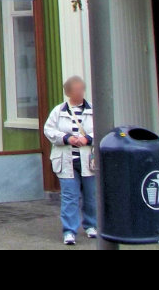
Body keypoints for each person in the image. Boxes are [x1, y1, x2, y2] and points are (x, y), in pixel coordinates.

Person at [43, 76, 98, 245]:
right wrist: (67, 138)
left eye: (81, 89)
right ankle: (69, 231)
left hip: (88, 161)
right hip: (66, 160)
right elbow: (48, 130)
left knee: (91, 196)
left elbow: (102, 129)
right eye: (75, 90)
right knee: (69, 196)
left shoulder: (93, 110)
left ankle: (91, 225)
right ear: (68, 92)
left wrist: (88, 139)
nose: (79, 92)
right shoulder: (59, 111)